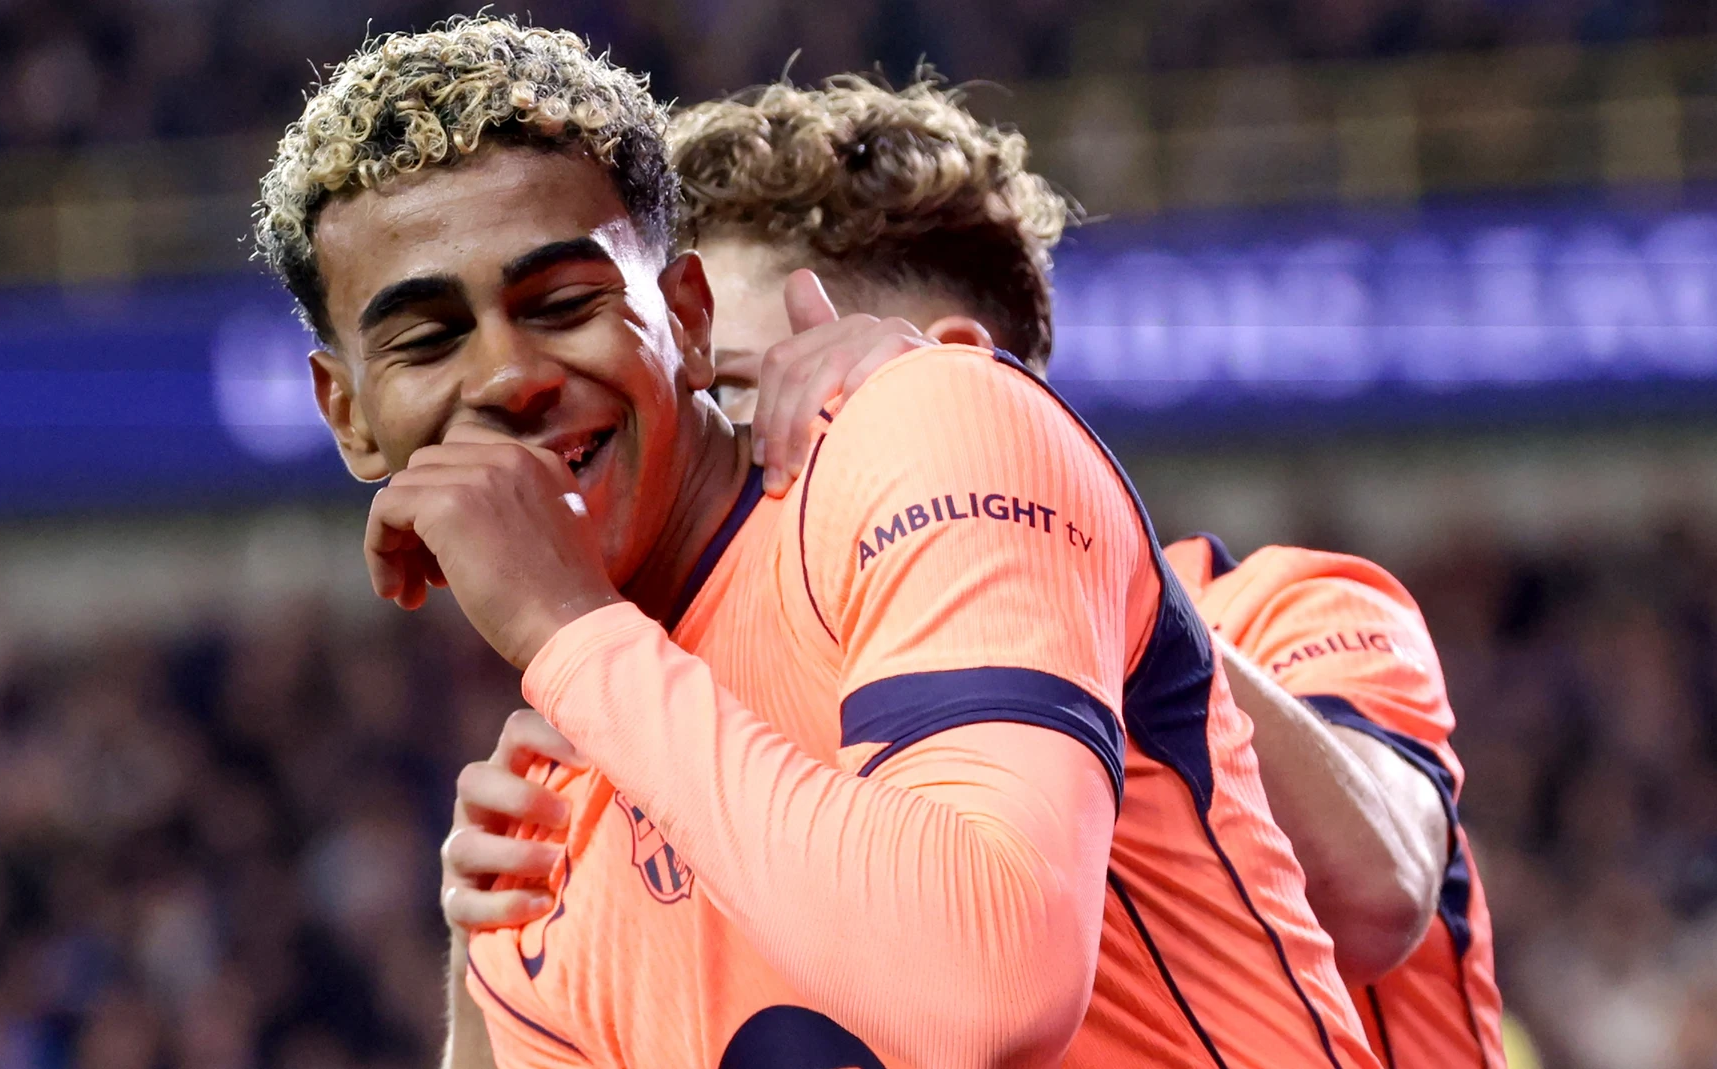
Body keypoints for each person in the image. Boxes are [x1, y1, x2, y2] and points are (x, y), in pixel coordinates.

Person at [446, 76, 1504, 1067]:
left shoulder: (1286, 605)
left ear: (951, 357)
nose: (698, 449)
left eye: (732, 396)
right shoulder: (694, 711)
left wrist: (1104, 602)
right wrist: (499, 932)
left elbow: (1378, 892)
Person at [256, 18, 1132, 1067]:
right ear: (349, 415)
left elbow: (992, 991)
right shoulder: (540, 835)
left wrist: (568, 629)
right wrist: (482, 984)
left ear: (686, 318)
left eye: (563, 303)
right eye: (430, 338)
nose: (508, 377)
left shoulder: (913, 430)